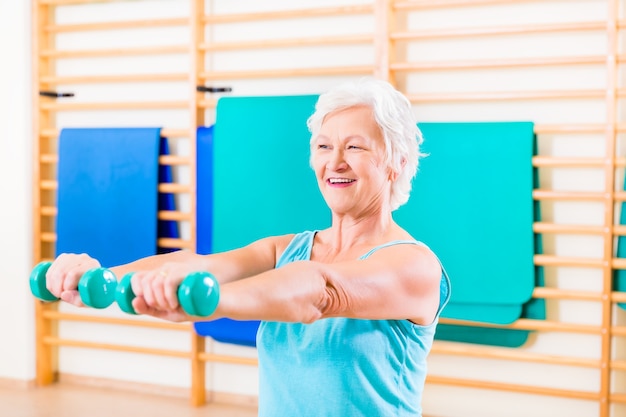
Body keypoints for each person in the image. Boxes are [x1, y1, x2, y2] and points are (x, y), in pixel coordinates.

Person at [44, 77, 451, 417]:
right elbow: (198, 264)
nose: (335, 161)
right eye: (324, 146)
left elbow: (321, 290)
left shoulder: (413, 265)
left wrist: (208, 301)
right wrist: (100, 276)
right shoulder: (288, 249)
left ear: (396, 161)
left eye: (355, 147)